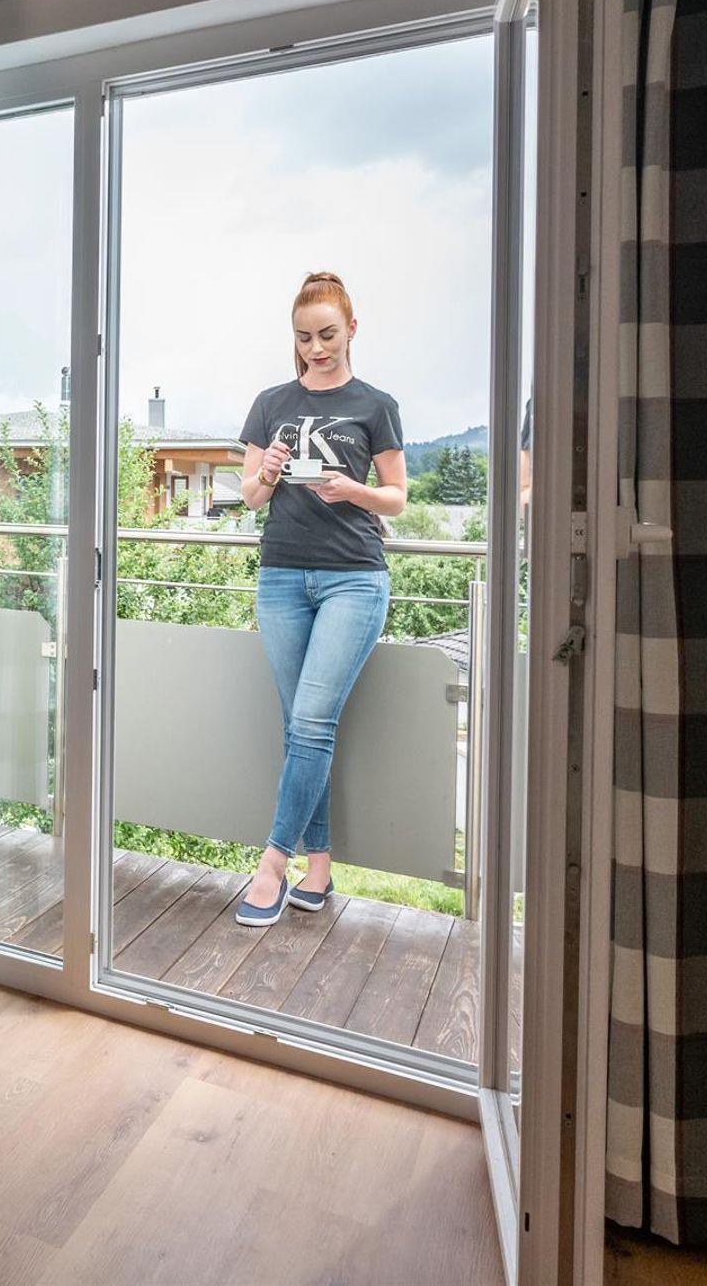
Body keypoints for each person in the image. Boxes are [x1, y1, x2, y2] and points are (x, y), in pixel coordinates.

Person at [233, 271, 407, 926]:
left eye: (328, 335)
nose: (316, 349)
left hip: (353, 580)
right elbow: (251, 497)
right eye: (304, 337)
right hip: (281, 578)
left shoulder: (376, 404)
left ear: (351, 329)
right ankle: (321, 865)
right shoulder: (270, 402)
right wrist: (268, 472)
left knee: (309, 722)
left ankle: (271, 865)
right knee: (303, 726)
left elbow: (397, 497)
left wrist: (351, 490)